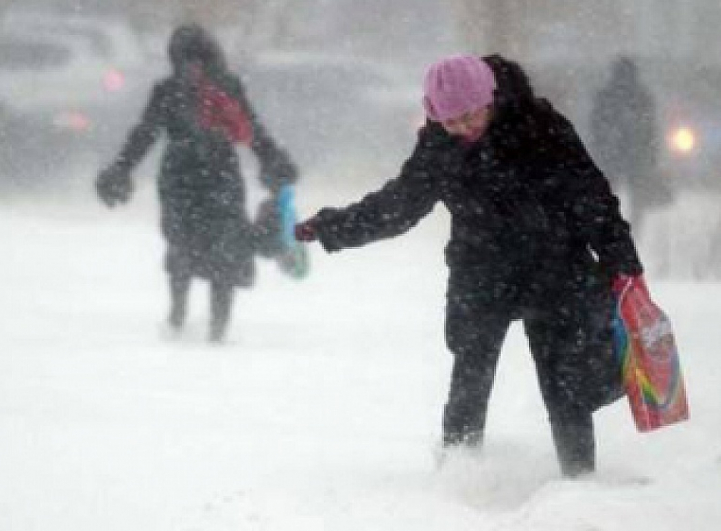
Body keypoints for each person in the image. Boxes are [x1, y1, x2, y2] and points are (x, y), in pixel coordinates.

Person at [294, 54, 645, 476]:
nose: (463, 129)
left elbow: (592, 198)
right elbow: (401, 204)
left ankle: (579, 477)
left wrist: (621, 260)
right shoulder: (439, 146)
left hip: (554, 266)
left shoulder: (543, 128)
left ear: (490, 99)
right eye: (451, 122)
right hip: (481, 270)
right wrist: (335, 226)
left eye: (470, 116)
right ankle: (459, 476)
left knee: (565, 382)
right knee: (469, 377)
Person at [95, 24, 298, 342]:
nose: (191, 67)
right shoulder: (211, 87)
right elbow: (253, 131)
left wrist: (122, 169)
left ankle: (192, 324)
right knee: (213, 250)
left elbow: (145, 133)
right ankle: (196, 324)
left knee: (193, 249)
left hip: (192, 179)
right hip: (208, 178)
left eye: (195, 59)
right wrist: (273, 161)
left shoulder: (192, 88)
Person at [590, 56, 668, 241]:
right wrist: (651, 155)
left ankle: (609, 230)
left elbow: (597, 126)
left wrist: (601, 147)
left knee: (609, 195)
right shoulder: (641, 96)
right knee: (635, 198)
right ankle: (633, 232)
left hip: (614, 153)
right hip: (635, 153)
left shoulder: (607, 95)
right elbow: (650, 128)